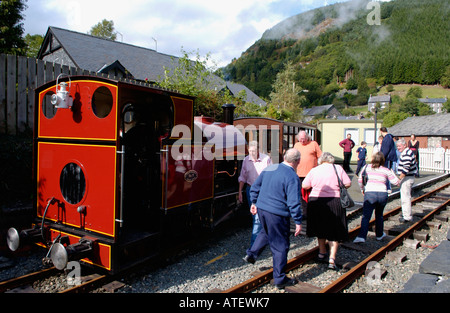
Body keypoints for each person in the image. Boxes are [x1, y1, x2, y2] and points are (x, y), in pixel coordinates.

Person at [243, 149, 302, 289]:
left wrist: (254, 202)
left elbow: (255, 186)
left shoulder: (271, 168)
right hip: (277, 213)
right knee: (281, 245)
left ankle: (252, 254)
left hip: (262, 209)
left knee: (265, 231)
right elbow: (294, 202)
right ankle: (280, 279)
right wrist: (298, 221)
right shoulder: (292, 176)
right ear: (297, 161)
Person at [302, 152, 351, 270]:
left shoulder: (314, 170)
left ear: (321, 160)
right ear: (331, 160)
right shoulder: (338, 168)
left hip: (316, 202)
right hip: (335, 201)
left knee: (320, 228)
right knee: (334, 230)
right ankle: (331, 259)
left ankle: (321, 253)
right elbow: (348, 183)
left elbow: (305, 185)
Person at [353, 152, 400, 243]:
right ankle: (379, 234)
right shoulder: (386, 170)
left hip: (370, 193)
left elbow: (360, 180)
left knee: (366, 216)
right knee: (379, 215)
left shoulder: (366, 167)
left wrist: (363, 189)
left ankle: (362, 236)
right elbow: (396, 182)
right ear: (383, 160)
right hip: (382, 194)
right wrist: (393, 174)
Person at [238, 141, 272, 247]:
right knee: (255, 216)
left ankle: (254, 245)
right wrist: (240, 192)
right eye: (250, 151)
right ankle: (264, 238)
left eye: (254, 151)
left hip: (263, 190)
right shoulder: (246, 160)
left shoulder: (266, 159)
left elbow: (270, 176)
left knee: (257, 217)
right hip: (250, 189)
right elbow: (242, 177)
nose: (252, 153)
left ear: (258, 150)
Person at [293, 130, 322, 217]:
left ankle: (313, 211)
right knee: (302, 195)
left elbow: (320, 156)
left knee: (312, 194)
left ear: (307, 137)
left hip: (311, 174)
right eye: (300, 139)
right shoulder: (297, 145)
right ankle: (305, 212)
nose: (302, 141)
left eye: (303, 139)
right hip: (299, 174)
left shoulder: (313, 144)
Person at [396, 138, 418, 223]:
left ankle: (407, 216)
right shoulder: (407, 152)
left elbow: (405, 169)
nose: (398, 148)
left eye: (399, 146)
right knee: (405, 197)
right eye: (397, 146)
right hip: (408, 177)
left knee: (405, 197)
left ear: (404, 145)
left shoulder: (406, 154)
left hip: (407, 178)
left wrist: (399, 179)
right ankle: (406, 213)